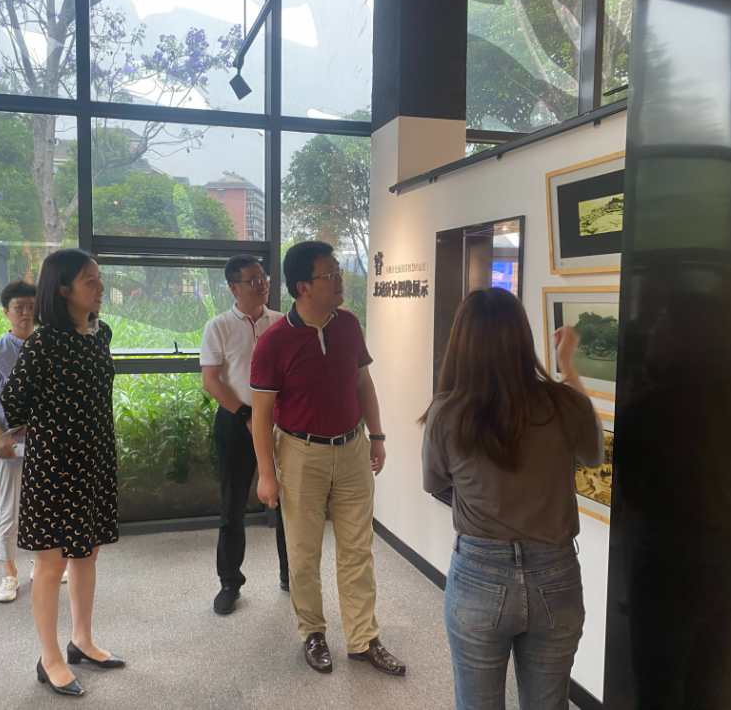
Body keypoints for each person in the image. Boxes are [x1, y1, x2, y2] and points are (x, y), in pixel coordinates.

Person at [419, 288, 604, 710]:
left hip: (478, 573)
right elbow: (594, 454)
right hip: (556, 575)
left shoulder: (446, 412)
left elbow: (433, 481)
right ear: (523, 339)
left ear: (462, 344)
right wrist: (568, 369)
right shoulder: (563, 402)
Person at [250, 241, 406, 676]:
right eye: (331, 275)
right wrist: (267, 474)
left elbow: (363, 384)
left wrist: (377, 436)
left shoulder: (349, 324)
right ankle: (313, 633)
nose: (340, 280)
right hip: (301, 454)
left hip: (353, 448)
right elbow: (261, 415)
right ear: (303, 287)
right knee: (303, 553)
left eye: (339, 272)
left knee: (358, 548)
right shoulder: (274, 342)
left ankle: (363, 638)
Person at [1, 249, 123, 698]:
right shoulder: (44, 342)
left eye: (99, 278)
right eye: (91, 280)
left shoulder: (100, 333)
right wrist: (53, 421)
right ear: (65, 289)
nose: (100, 287)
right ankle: (49, 658)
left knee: (87, 553)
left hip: (95, 459)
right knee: (51, 564)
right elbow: (12, 403)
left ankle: (82, 640)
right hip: (54, 465)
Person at [200, 255, 289, 615]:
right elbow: (211, 381)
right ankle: (229, 582)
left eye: (264, 278)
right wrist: (247, 415)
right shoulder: (218, 326)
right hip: (236, 422)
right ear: (233, 287)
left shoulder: (281, 322)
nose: (262, 284)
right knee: (233, 507)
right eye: (253, 279)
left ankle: (290, 575)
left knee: (288, 504)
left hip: (281, 423)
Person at [0, 280, 70, 603]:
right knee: (10, 508)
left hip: (47, 441)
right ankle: (9, 572)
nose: (27, 312)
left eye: (31, 306)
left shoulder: (51, 346)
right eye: (19, 307)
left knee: (48, 505)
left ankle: (42, 563)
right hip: (11, 443)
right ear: (6, 312)